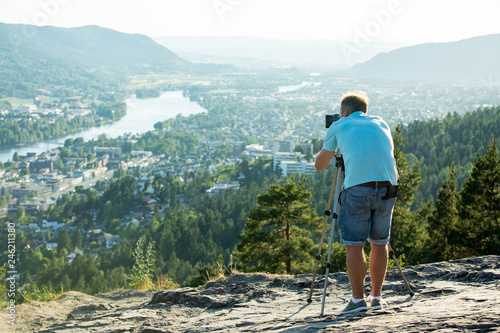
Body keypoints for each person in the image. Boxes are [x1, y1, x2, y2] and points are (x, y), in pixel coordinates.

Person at [315, 90, 398, 314]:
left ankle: (357, 301)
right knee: (380, 242)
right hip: (388, 187)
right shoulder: (381, 122)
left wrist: (333, 142)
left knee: (354, 244)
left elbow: (320, 165)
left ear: (345, 111)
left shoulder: (339, 125)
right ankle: (377, 298)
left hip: (358, 188)